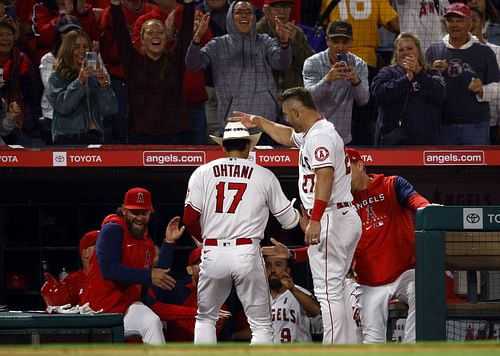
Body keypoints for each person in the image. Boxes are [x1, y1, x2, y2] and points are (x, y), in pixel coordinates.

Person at [231, 87, 362, 344]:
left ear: (296, 111)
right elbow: (289, 136)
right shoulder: (317, 132)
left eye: (287, 114)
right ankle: (348, 345)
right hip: (341, 216)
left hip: (330, 217)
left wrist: (315, 219)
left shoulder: (320, 136)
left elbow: (325, 175)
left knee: (328, 293)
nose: (287, 119)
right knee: (337, 289)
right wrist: (258, 121)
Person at [183, 121, 300, 344]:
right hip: (247, 251)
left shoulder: (202, 172)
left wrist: (202, 240)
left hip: (214, 250)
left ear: (223, 147)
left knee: (206, 318)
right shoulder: (263, 175)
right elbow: (288, 221)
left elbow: (189, 217)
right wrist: (297, 216)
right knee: (261, 326)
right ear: (248, 147)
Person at [346, 147, 430, 343]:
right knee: (373, 344)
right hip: (369, 282)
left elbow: (416, 200)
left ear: (360, 165)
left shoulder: (392, 184)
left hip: (404, 274)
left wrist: (427, 208)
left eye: (346, 169)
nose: (342, 176)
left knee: (423, 288)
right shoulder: (343, 203)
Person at [185, 0, 292, 144]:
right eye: (238, 12)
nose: (244, 16)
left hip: (266, 127)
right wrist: (197, 39)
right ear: (230, 16)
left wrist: (284, 44)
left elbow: (282, 64)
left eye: (249, 12)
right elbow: (193, 64)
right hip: (233, 127)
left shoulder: (265, 41)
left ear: (254, 17)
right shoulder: (218, 45)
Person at [87, 187, 176, 344]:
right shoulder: (113, 229)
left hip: (128, 306)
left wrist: (168, 243)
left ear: (150, 213)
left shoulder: (147, 243)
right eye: (135, 212)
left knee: (152, 322)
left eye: (144, 213)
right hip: (101, 309)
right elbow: (108, 269)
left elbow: (160, 274)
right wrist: (148, 275)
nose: (140, 217)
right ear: (124, 210)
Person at [109, 0, 194, 144]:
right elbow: (120, 35)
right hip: (141, 134)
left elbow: (185, 35)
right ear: (141, 40)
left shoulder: (175, 61)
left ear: (166, 38)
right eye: (150, 32)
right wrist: (115, 6)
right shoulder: (133, 63)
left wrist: (189, 4)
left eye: (160, 32)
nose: (156, 35)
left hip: (174, 134)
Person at [320, 0, 400, 145]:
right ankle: (363, 155)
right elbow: (397, 25)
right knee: (364, 117)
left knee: (338, 114)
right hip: (366, 62)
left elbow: (326, 24)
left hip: (336, 63)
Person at [426, 2, 500, 145]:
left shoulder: (485, 52)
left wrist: (483, 90)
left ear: (468, 23)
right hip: (442, 123)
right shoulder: (433, 51)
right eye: (451, 21)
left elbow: (498, 87)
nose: (455, 25)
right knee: (444, 167)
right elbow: (424, 89)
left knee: (477, 167)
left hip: (476, 125)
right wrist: (433, 74)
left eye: (459, 21)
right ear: (445, 23)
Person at [98, 0, 158, 142]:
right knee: (121, 125)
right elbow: (106, 51)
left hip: (149, 78)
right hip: (119, 77)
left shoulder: (152, 11)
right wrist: (132, 52)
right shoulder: (110, 13)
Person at [371, 32, 446, 145]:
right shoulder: (387, 72)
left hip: (425, 142)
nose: (405, 52)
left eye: (410, 48)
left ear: (419, 52)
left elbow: (440, 95)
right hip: (393, 142)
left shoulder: (431, 73)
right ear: (396, 54)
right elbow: (380, 94)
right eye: (401, 50)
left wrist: (419, 73)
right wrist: (405, 80)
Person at [302, 19, 369, 144]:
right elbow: (309, 98)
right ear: (327, 41)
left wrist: (355, 81)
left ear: (351, 43)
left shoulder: (359, 65)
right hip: (315, 135)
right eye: (335, 42)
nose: (340, 47)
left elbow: (364, 100)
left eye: (344, 42)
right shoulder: (312, 63)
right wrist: (327, 79)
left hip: (342, 137)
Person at [47, 29, 117, 144]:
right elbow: (63, 106)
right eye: (77, 47)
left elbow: (109, 109)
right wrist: (79, 82)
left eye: (85, 47)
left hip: (95, 136)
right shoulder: (56, 78)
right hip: (68, 137)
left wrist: (103, 86)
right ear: (68, 50)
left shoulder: (93, 76)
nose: (82, 51)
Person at [257, 0, 314, 93]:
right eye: (277, 7)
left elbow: (311, 67)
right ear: (266, 10)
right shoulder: (255, 34)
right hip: (265, 95)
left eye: (286, 7)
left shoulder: (296, 33)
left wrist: (294, 43)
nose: (282, 11)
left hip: (293, 95)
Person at [0, 18, 42, 146]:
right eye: (1, 35)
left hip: (23, 122)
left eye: (9, 34)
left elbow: (33, 93)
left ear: (14, 38)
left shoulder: (23, 61)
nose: (5, 38)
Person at [265, 255, 320, 343]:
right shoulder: (260, 297)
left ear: (288, 270)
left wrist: (292, 289)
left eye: (278, 265)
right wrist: (234, 335)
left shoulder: (298, 292)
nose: (272, 270)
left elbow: (316, 311)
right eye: (268, 265)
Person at [40, 230, 99, 308]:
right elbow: (57, 309)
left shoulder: (112, 279)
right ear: (85, 253)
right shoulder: (72, 282)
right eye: (99, 245)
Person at [469, 6, 500, 144]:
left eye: (473, 20)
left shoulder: (497, 51)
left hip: (493, 120)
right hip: (470, 120)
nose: (470, 24)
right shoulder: (454, 51)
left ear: (483, 23)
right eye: (466, 20)